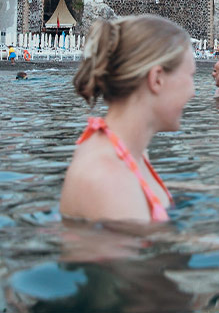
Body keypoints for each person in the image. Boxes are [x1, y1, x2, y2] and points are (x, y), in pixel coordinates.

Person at [61, 15, 196, 224]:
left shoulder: (131, 153)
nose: (193, 92)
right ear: (157, 79)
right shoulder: (108, 178)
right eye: (191, 76)